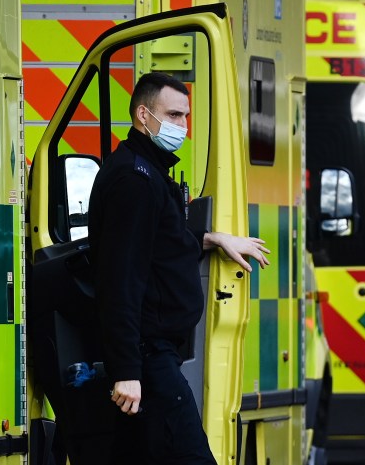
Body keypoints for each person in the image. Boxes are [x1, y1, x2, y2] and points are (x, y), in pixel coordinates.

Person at [87, 72, 270, 464]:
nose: (182, 127)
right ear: (143, 115)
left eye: (185, 117)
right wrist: (126, 371)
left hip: (154, 358)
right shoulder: (134, 181)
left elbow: (162, 244)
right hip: (149, 362)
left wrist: (215, 238)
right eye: (172, 115)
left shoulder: (148, 173)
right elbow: (121, 280)